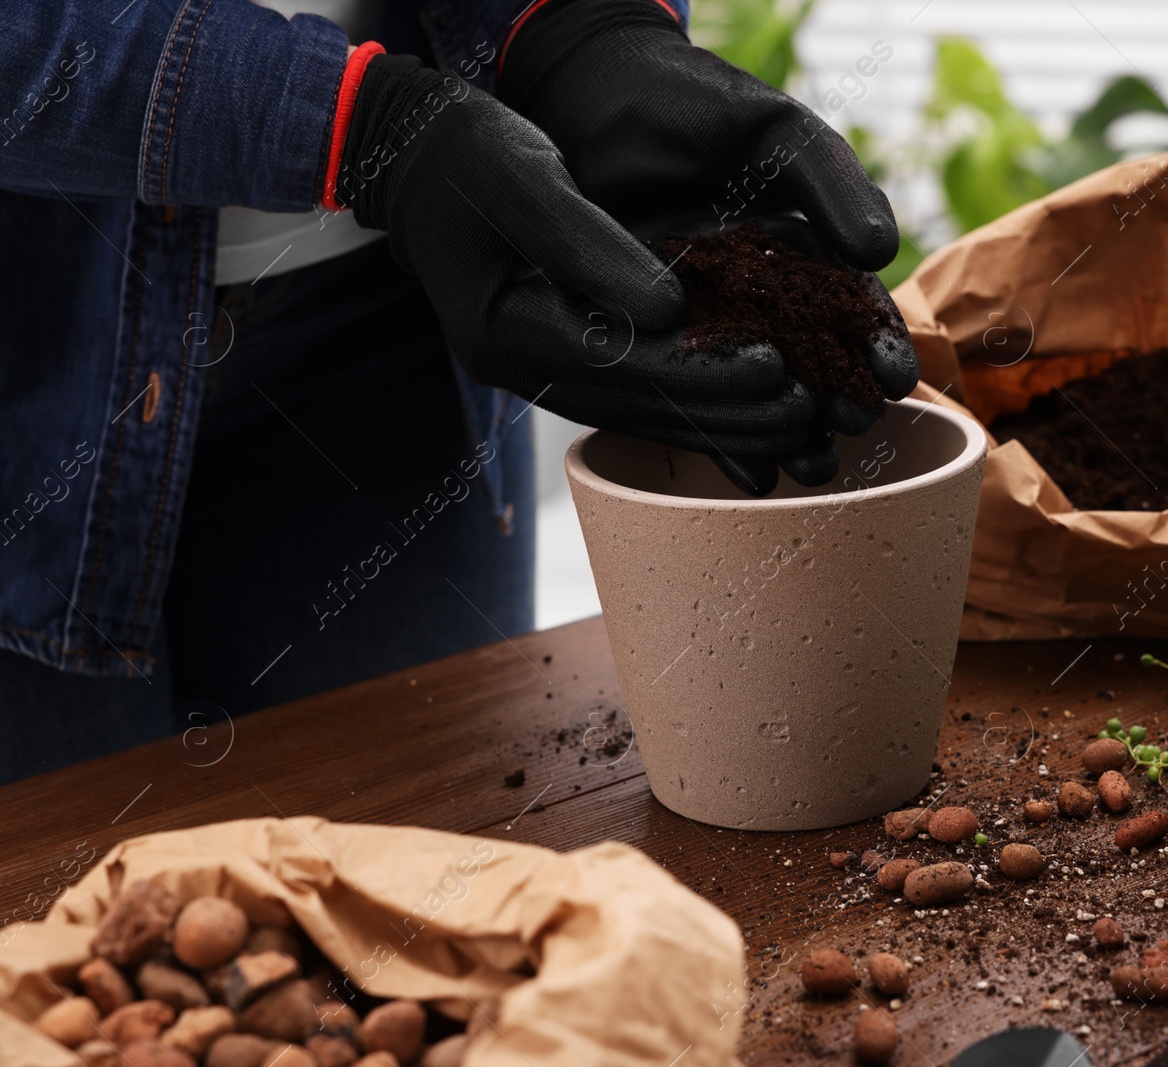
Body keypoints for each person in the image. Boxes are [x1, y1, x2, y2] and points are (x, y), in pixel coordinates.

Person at [0, 0, 914, 784]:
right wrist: (358, 128)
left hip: (391, 306)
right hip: (34, 365)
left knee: (432, 903)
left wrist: (571, 30)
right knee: (70, 941)